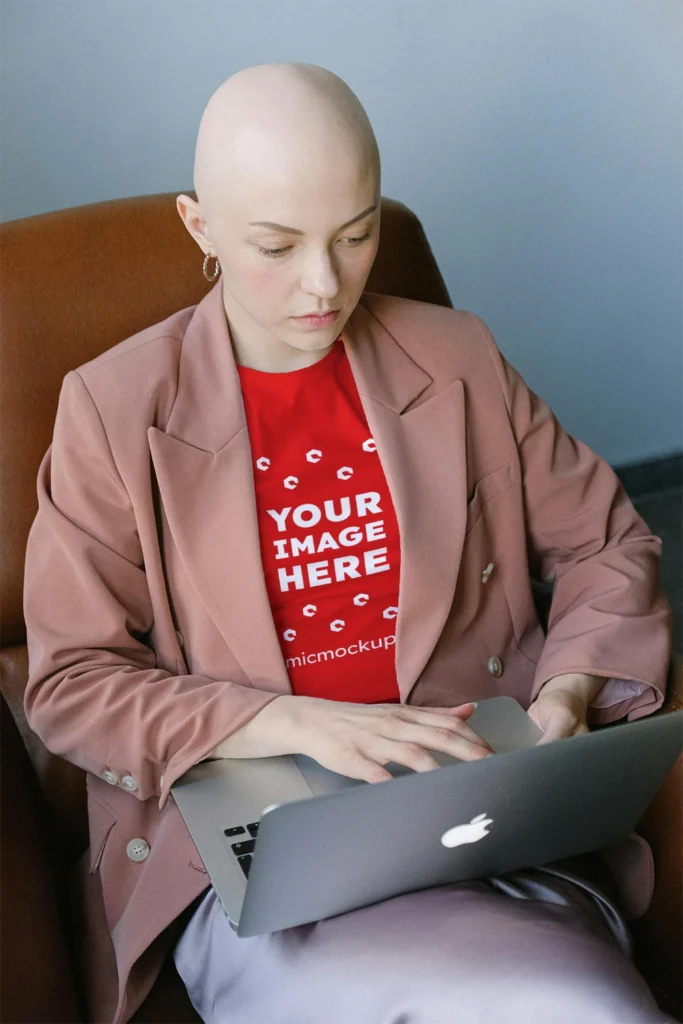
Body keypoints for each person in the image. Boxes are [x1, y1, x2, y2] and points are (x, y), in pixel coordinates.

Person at [22, 63, 674, 1024]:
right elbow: (70, 682)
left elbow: (608, 546)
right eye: (276, 247)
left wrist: (567, 693)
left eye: (356, 233)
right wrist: (293, 722)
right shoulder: (115, 410)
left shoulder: (457, 357)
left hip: (480, 818)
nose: (323, 285)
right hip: (262, 852)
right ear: (199, 227)